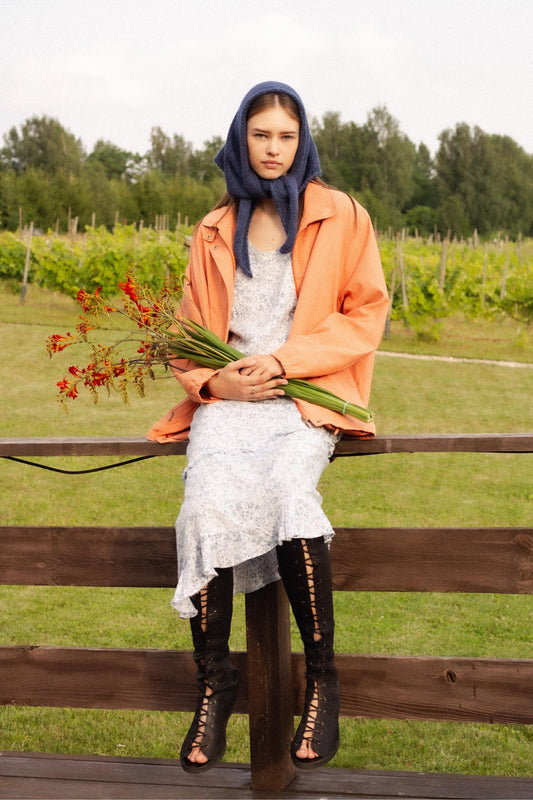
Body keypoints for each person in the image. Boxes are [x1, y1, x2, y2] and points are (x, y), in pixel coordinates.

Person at [148, 80, 389, 773]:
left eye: (286, 135)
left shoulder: (340, 215)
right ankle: (214, 686)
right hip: (229, 408)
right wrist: (212, 382)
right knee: (201, 510)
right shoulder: (213, 227)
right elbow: (189, 333)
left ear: (301, 139)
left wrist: (283, 361)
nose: (274, 148)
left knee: (289, 499)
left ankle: (322, 681)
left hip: (301, 401)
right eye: (261, 135)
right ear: (240, 139)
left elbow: (364, 313)